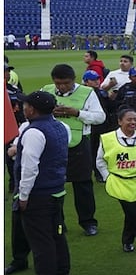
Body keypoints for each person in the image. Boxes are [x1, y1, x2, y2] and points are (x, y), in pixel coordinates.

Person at [8, 91, 71, 275]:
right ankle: (62, 273)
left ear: (32, 109)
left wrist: (23, 196)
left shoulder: (34, 132)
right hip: (56, 189)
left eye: (25, 106)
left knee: (40, 240)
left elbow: (29, 168)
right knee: (56, 233)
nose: (23, 108)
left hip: (38, 194)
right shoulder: (62, 127)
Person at [43, 64, 105, 234]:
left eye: (66, 83)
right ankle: (57, 223)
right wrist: (50, 112)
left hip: (79, 145)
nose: (62, 87)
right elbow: (35, 112)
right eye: (58, 83)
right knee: (53, 186)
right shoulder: (46, 90)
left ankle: (88, 222)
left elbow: (100, 117)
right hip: (52, 145)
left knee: (83, 185)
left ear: (74, 80)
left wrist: (77, 113)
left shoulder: (87, 92)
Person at [96, 107, 136, 253]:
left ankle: (127, 242)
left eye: (135, 119)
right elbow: (100, 160)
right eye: (129, 119)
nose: (133, 122)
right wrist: (107, 177)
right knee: (131, 211)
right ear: (119, 121)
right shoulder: (107, 138)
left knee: (132, 212)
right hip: (119, 181)